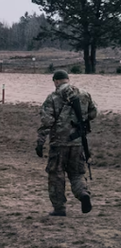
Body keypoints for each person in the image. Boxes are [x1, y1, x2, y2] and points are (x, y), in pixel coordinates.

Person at [37, 69, 96, 216]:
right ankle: (83, 194)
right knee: (76, 173)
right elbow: (93, 113)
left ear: (56, 81)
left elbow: (47, 121)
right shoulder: (84, 94)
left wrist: (40, 141)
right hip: (78, 142)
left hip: (58, 143)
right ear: (67, 79)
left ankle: (59, 208)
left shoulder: (53, 97)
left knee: (56, 175)